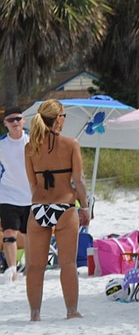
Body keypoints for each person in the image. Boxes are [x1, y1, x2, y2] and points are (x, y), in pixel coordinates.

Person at [23, 99, 90, 321]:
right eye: (64, 116)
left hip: (39, 207)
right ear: (59, 119)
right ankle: (71, 311)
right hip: (65, 206)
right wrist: (85, 206)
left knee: (35, 266)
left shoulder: (30, 147)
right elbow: (79, 180)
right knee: (68, 263)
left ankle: (35, 314)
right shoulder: (71, 144)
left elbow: (32, 183)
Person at [1, 106, 31, 281]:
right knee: (9, 232)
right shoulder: (1, 144)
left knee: (29, 234)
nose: (15, 122)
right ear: (5, 123)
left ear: (24, 120)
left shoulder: (32, 141)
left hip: (31, 196)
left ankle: (29, 267)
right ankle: (12, 269)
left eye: (18, 119)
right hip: (7, 195)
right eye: (11, 120)